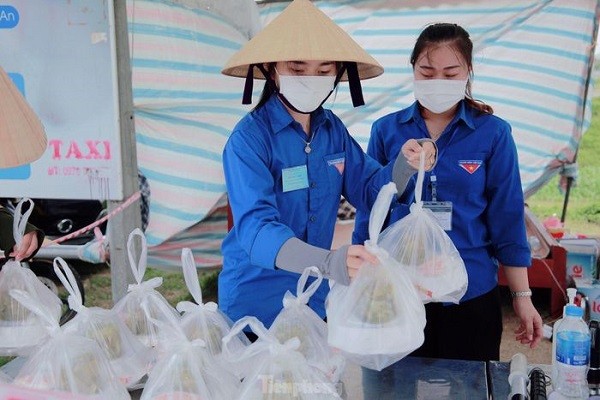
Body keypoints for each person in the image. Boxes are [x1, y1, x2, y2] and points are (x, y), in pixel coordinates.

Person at [218, 0, 436, 335]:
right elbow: (256, 231)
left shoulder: (332, 131)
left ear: (338, 75)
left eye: (324, 71)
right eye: (297, 67)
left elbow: (369, 190)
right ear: (270, 68)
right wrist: (328, 262)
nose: (311, 79)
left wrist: (406, 164)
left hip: (312, 301)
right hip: (254, 306)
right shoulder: (248, 140)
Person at [353, 23, 543, 371]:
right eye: (427, 72)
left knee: (469, 387)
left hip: (470, 293)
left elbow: (507, 218)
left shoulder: (493, 133)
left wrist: (522, 297)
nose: (437, 81)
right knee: (393, 390)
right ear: (412, 70)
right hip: (399, 293)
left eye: (450, 72)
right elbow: (372, 209)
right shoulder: (387, 130)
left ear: (467, 73)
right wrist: (358, 280)